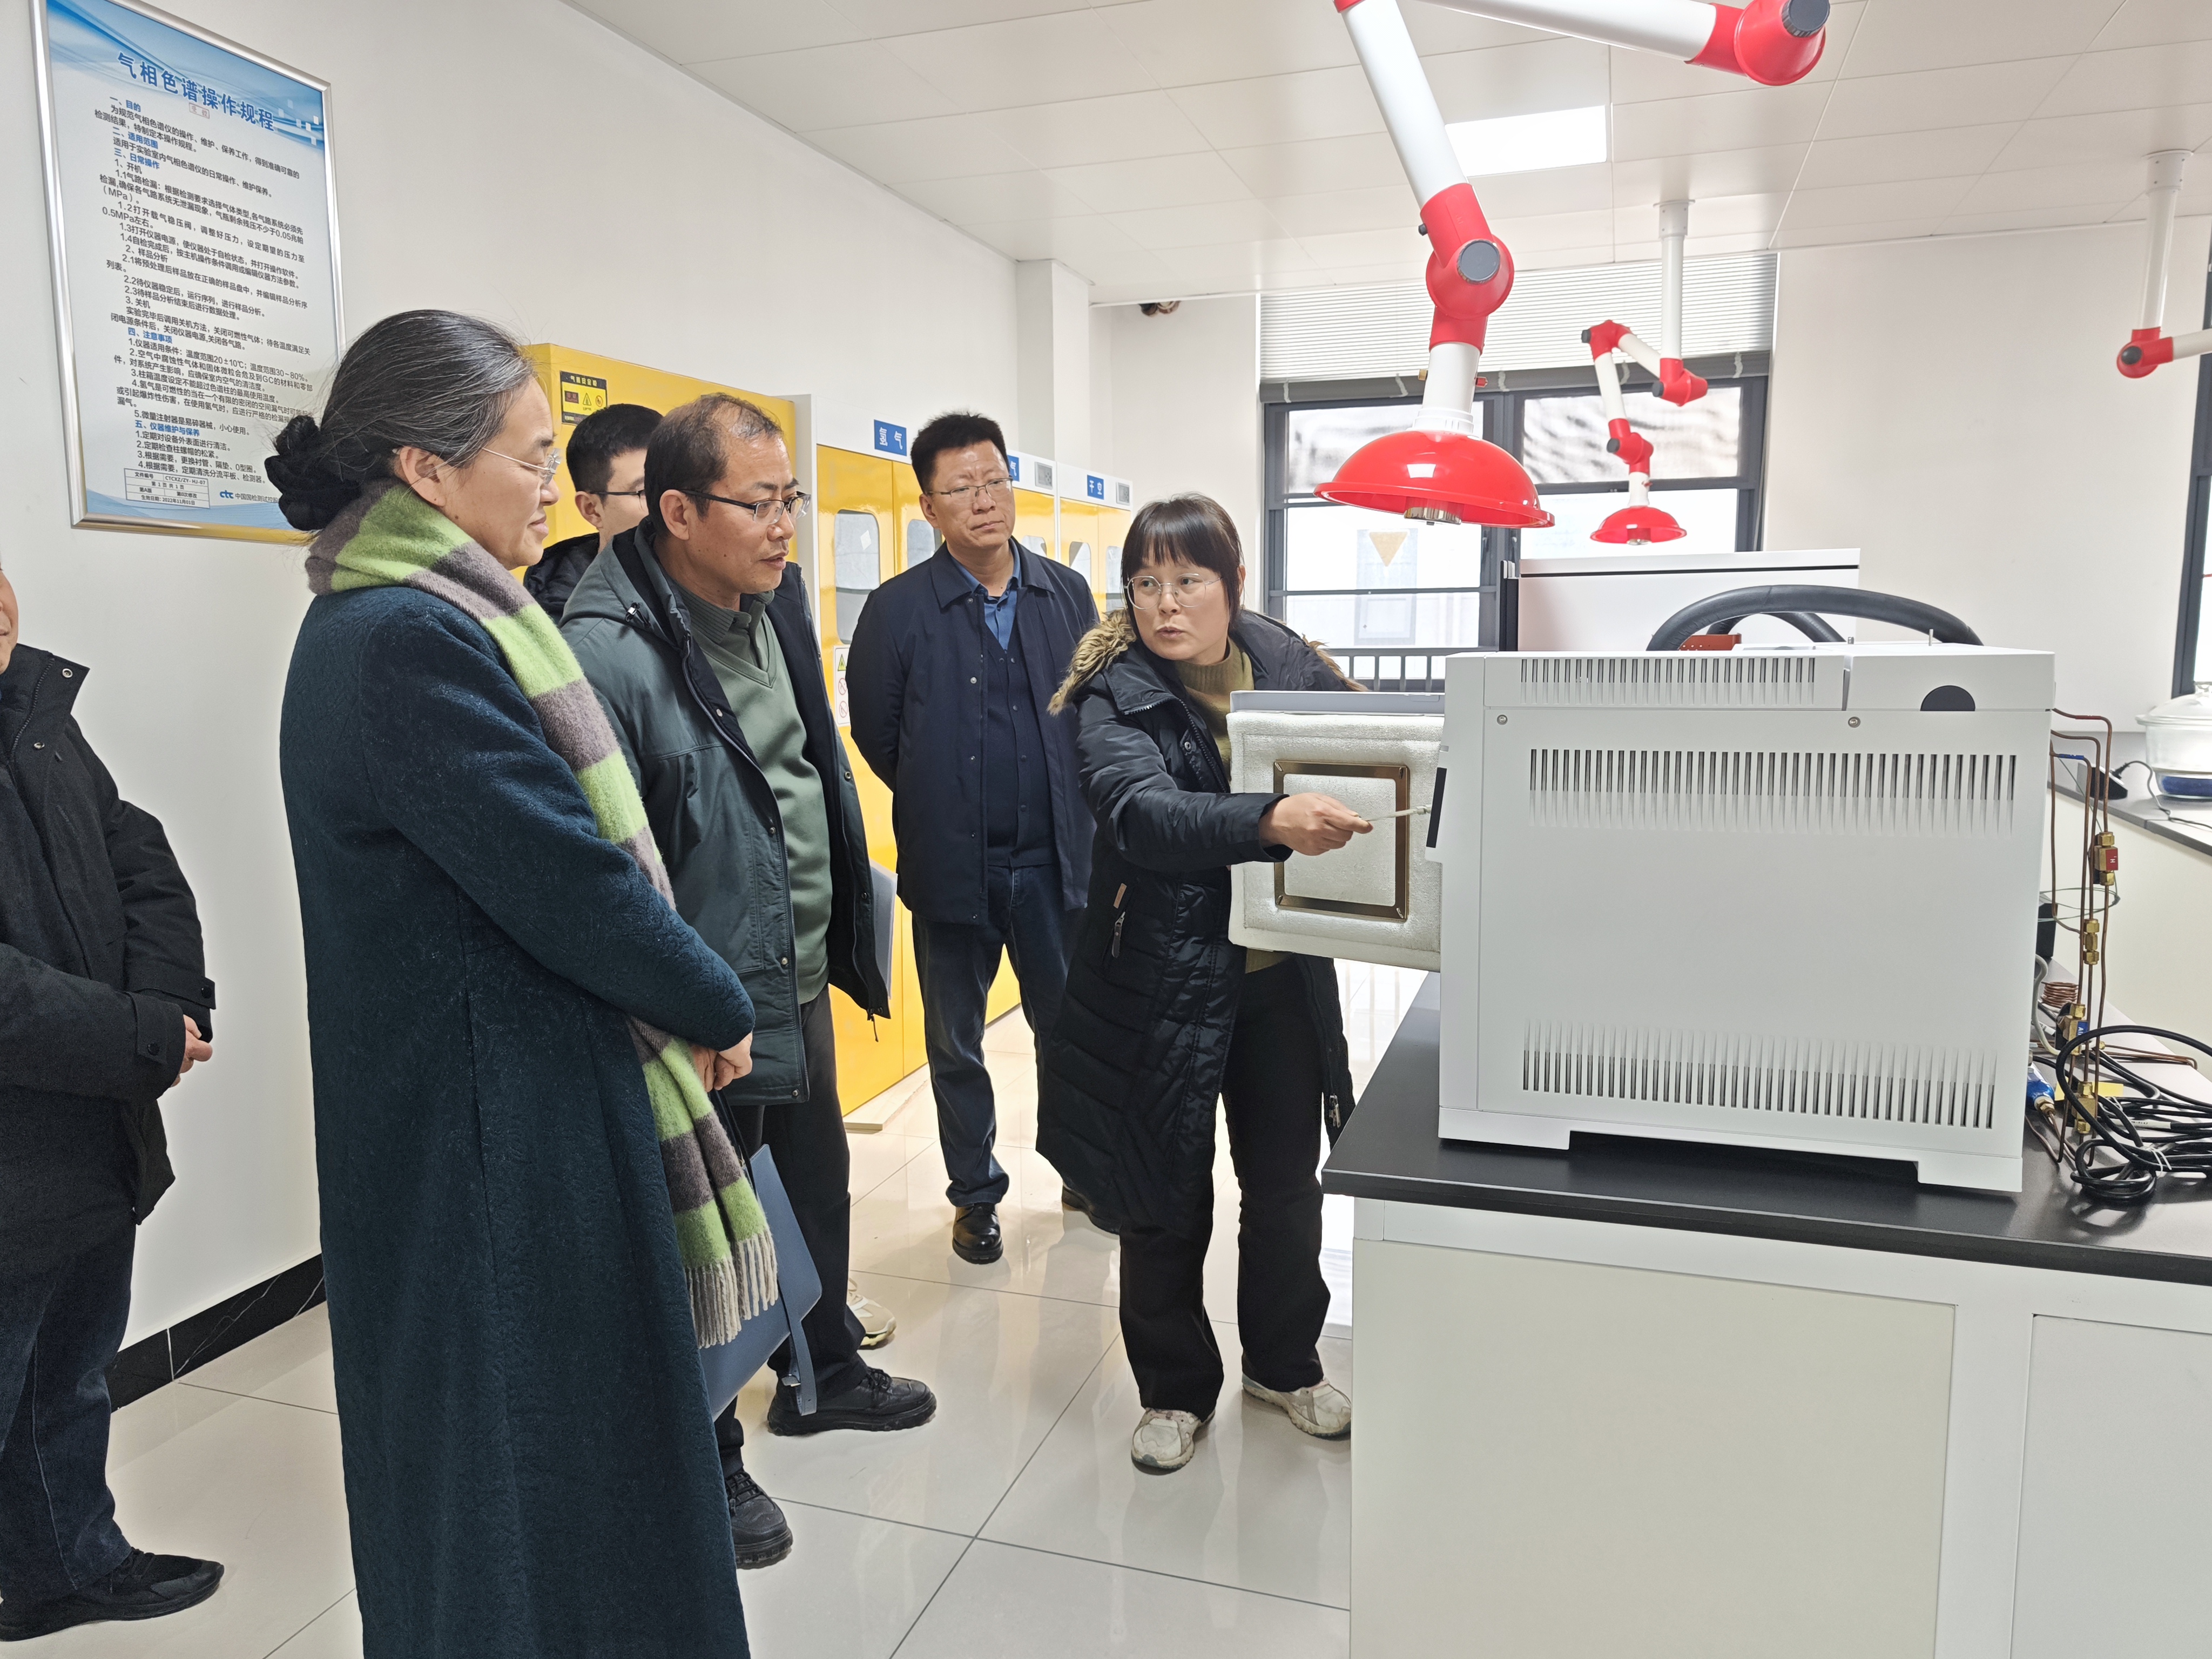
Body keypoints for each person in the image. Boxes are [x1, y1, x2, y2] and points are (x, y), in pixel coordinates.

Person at [272, 311, 766, 1657]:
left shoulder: (408, 617)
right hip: (491, 1138)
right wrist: (716, 1001)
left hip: (486, 1110)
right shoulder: (405, 638)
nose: (555, 483)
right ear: (427, 470)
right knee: (522, 1471)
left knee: (532, 1467)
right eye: (533, 454)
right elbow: (568, 880)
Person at [563, 394, 933, 1570]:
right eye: (758, 504)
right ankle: (705, 1457)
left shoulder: (770, 606)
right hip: (698, 1009)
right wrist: (680, 1002)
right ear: (676, 511)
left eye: (791, 501)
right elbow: (609, 868)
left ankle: (822, 1370)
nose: (783, 526)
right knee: (707, 1234)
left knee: (809, 1186)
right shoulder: (606, 652)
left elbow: (806, 767)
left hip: (792, 968)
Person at [1038, 495, 1363, 1476]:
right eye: (1145, 583)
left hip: (1281, 979)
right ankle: (1174, 1390)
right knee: (1163, 1195)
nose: (1165, 604)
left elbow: (1376, 750)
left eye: (1188, 580)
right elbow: (1142, 815)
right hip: (1158, 982)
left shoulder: (1291, 666)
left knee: (1285, 1188)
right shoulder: (1112, 692)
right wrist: (1266, 821)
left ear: (1235, 584)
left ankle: (1284, 1363)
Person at [0, 558, 221, 1642]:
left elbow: (140, 859)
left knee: (68, 1374)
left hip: (92, 1126)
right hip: (28, 1137)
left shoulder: (37, 716)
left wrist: (169, 1009)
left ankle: (65, 1569)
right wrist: (139, 1037)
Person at [846, 412, 1099, 1264]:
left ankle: (1080, 1172)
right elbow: (878, 734)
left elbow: (1092, 712)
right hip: (954, 865)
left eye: (994, 481)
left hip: (1055, 861)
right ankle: (975, 1195)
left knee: (1066, 1028)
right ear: (929, 507)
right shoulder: (896, 610)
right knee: (956, 1042)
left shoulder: (1067, 593)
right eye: (961, 488)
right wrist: (943, 800)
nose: (984, 501)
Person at [523, 401, 660, 619]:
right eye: (645, 492)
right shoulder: (568, 622)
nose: (674, 507)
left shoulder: (705, 583)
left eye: (678, 487)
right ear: (592, 510)